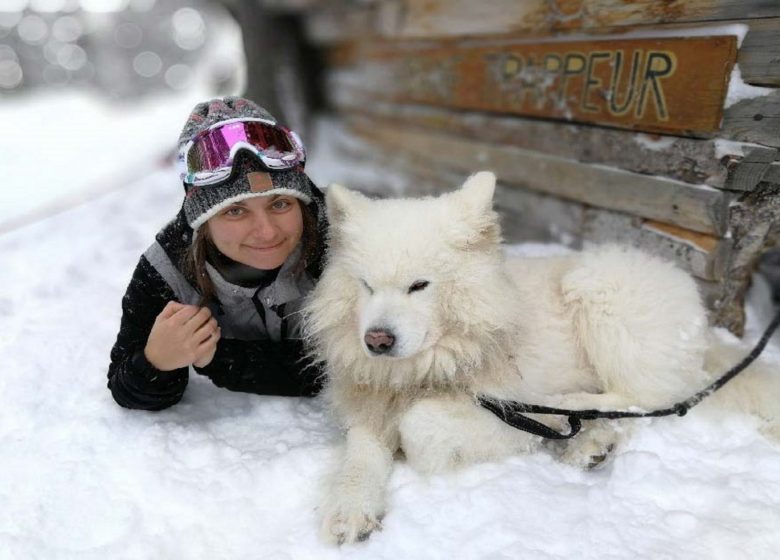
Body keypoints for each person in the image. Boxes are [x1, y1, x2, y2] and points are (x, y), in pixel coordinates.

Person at [107, 97, 327, 411]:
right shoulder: (168, 268)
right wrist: (156, 362)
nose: (266, 231)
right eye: (235, 211)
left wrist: (219, 358)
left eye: (280, 204)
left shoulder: (345, 239)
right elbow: (126, 387)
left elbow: (358, 369)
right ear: (203, 222)